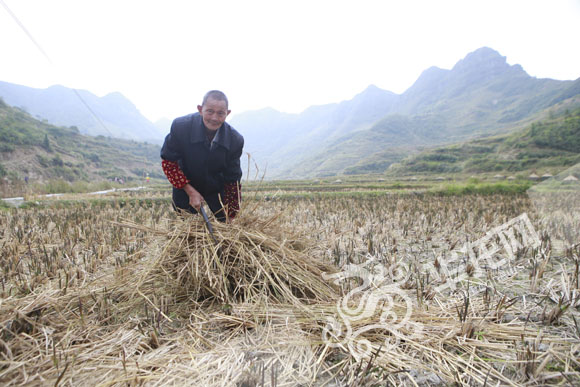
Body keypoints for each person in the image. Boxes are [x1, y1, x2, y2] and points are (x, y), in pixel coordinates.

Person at [160, 90, 244, 222]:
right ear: (200, 109)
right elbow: (169, 163)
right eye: (210, 111)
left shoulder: (235, 140)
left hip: (216, 186)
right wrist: (190, 191)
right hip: (185, 182)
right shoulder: (181, 127)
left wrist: (232, 214)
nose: (214, 118)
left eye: (220, 113)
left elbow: (232, 179)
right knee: (188, 226)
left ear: (227, 114)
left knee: (225, 223)